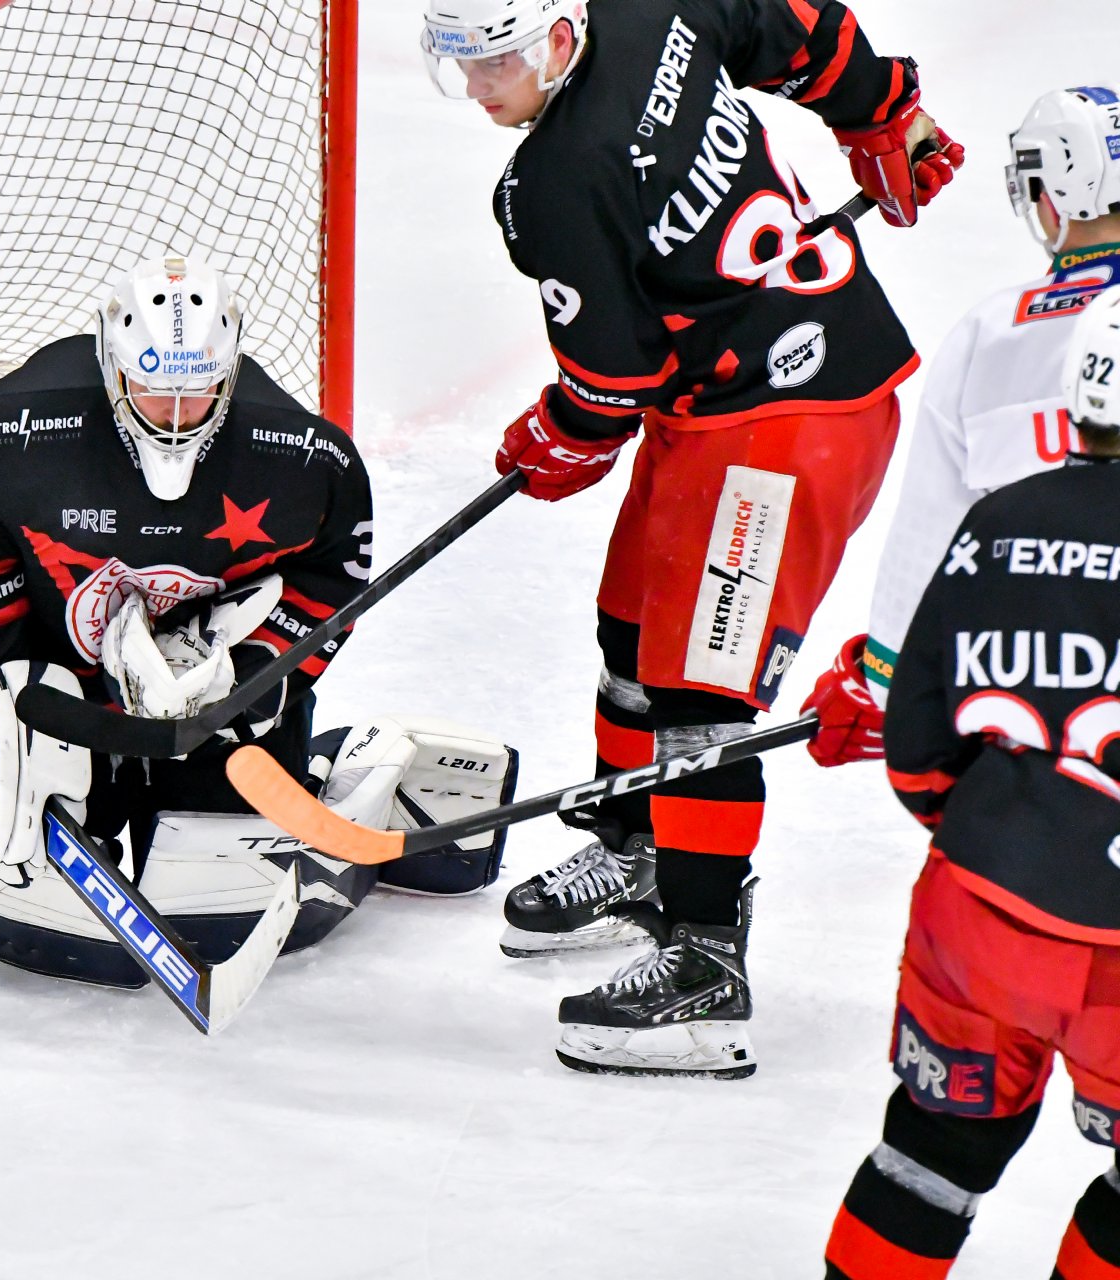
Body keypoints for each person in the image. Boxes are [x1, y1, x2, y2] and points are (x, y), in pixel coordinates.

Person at [419, 0, 963, 1076]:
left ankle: (707, 960)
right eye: (463, 65)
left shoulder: (549, 187)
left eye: (504, 59)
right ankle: (637, 848)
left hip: (793, 424)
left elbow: (607, 387)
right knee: (629, 629)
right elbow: (798, 26)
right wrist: (886, 118)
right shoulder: (655, 9)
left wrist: (553, 437)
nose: (486, 89)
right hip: (722, 399)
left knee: (698, 692)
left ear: (561, 33)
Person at [0, 253, 517, 987]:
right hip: (51, 668)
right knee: (17, 818)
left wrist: (253, 677)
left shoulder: (306, 455)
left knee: (218, 864)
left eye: (199, 393)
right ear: (110, 364)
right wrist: (17, 693)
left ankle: (344, 759)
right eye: (154, 392)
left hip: (201, 680)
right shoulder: (4, 429)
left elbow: (329, 582)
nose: (178, 416)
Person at [820, 283, 1120, 1280]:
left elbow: (916, 742)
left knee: (931, 1157)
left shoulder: (1001, 520)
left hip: (981, 911)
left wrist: (1001, 830)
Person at [805, 84, 1120, 763]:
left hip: (1050, 700)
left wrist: (883, 682)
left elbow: (931, 531)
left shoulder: (995, 334)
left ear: (1051, 192)